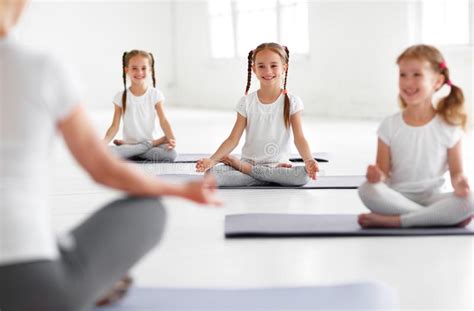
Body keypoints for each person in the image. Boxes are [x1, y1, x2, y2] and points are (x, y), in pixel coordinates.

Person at [0, 1, 220, 310]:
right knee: (149, 209)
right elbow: (102, 168)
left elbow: (157, 126)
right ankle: (85, 275)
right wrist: (180, 189)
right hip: (35, 287)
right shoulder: (40, 69)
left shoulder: (153, 95)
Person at [358, 44, 473, 228]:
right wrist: (375, 176)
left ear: (437, 82)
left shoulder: (449, 128)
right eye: (402, 75)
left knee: (471, 200)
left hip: (433, 198)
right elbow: (383, 174)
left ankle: (398, 221)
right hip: (397, 196)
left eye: (416, 75)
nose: (407, 82)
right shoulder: (389, 125)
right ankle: (433, 218)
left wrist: (460, 184)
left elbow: (457, 173)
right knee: (366, 190)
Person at [196, 42, 318, 187]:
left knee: (302, 176)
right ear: (254, 69)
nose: (267, 71)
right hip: (250, 163)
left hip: (276, 165)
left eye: (273, 66)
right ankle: (267, 177)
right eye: (261, 66)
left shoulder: (292, 102)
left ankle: (253, 173)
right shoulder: (246, 102)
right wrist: (212, 160)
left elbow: (300, 138)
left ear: (284, 68)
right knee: (212, 176)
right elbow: (233, 139)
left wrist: (309, 160)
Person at [103, 49, 177, 162]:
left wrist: (171, 138)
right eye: (134, 68)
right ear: (126, 70)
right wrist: (103, 143)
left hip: (150, 147)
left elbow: (163, 120)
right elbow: (114, 126)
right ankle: (141, 147)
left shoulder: (155, 95)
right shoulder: (120, 96)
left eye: (143, 68)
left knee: (171, 154)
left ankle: (136, 150)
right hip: (137, 145)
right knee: (107, 152)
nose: (139, 72)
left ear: (150, 70)